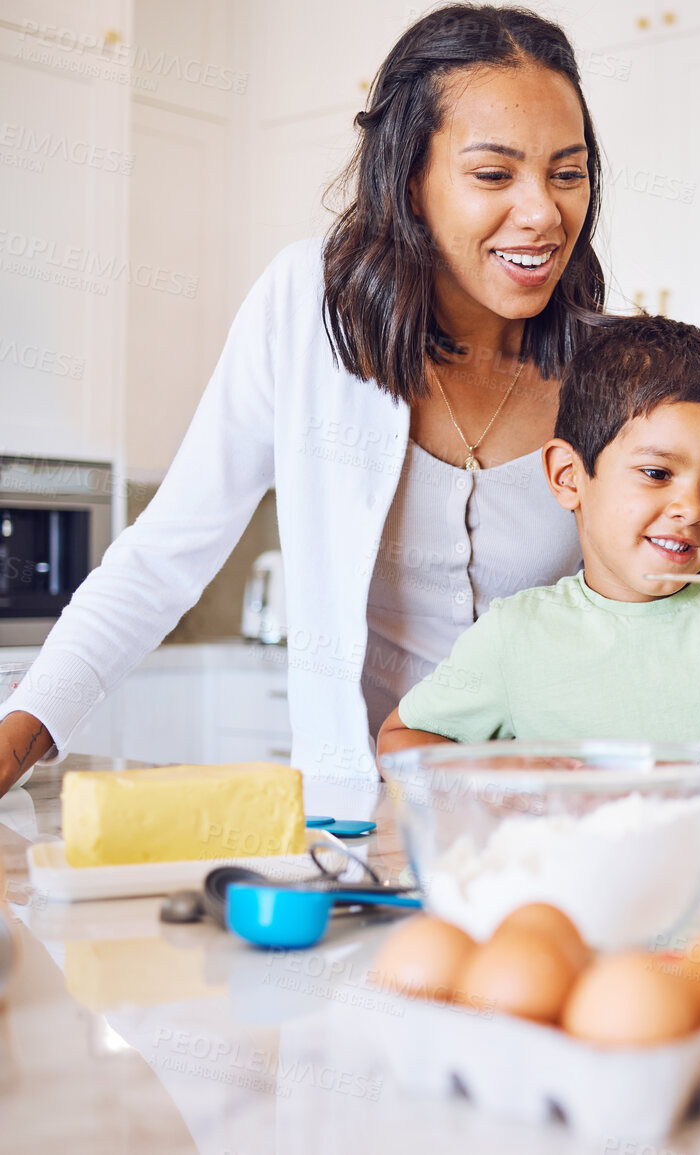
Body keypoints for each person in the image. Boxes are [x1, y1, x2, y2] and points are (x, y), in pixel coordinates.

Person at [0, 6, 609, 815]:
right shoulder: (307, 309)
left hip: (552, 819)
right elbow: (165, 553)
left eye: (566, 173)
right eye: (493, 175)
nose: (542, 212)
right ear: (409, 181)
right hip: (354, 819)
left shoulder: (612, 365)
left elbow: (654, 599)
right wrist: (18, 736)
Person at [376, 315, 700, 817]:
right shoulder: (517, 634)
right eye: (657, 473)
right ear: (568, 477)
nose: (692, 509)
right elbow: (399, 741)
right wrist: (503, 777)